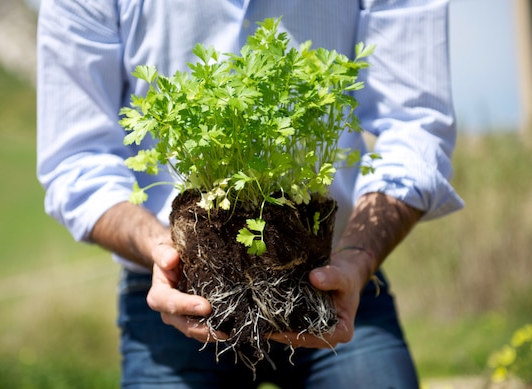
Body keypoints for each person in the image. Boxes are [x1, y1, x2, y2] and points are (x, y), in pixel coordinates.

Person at [37, 0, 464, 387]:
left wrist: (359, 257)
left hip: (334, 278)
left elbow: (416, 125)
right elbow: (78, 160)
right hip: (171, 293)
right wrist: (163, 250)